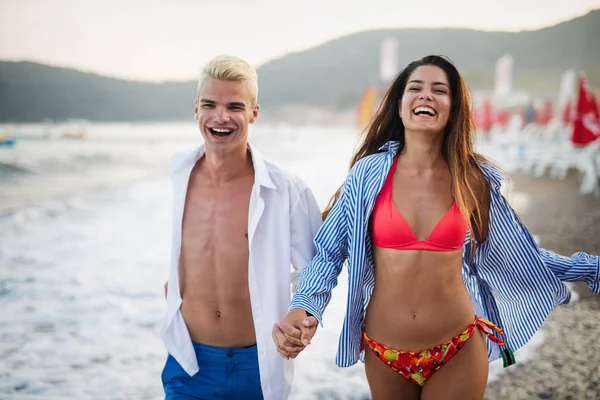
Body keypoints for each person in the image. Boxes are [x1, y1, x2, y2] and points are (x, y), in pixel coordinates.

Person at [272, 55, 600, 399]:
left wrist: (588, 267)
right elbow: (328, 254)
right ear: (400, 106)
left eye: (439, 90)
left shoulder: (471, 179)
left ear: (453, 108)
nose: (426, 95)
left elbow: (517, 257)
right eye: (415, 88)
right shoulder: (367, 175)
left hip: (457, 347)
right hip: (385, 352)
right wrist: (303, 308)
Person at [160, 54, 322, 400]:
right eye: (210, 105)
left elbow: (316, 268)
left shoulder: (285, 188)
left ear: (254, 113)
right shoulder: (180, 175)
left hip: (257, 364)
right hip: (189, 363)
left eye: (235, 106)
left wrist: (303, 319)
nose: (220, 117)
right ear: (196, 110)